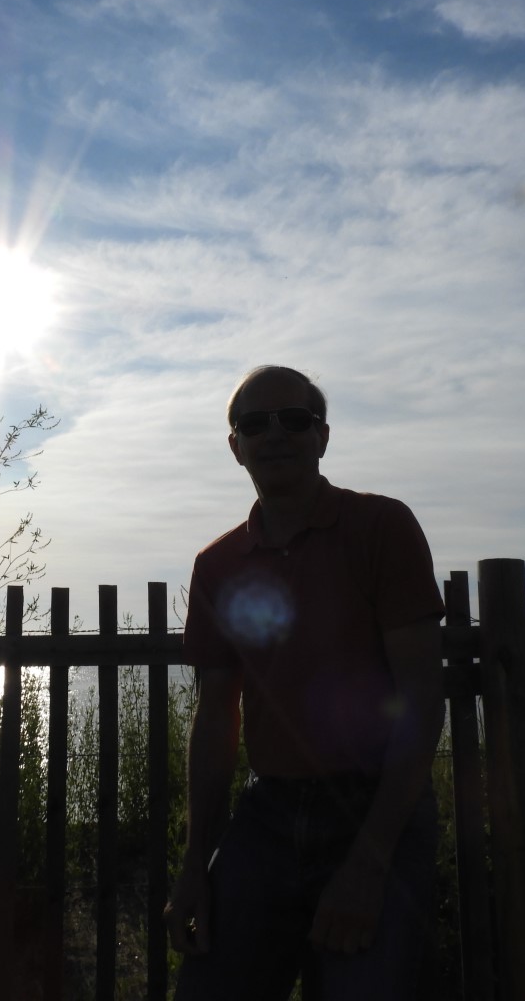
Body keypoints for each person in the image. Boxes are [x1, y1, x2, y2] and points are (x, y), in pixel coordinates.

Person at [164, 365, 446, 1001]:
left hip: (377, 811)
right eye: (254, 424)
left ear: (322, 436)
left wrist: (369, 864)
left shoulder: (381, 529)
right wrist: (194, 869)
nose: (275, 434)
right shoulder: (218, 565)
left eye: (294, 420)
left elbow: (421, 700)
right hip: (267, 817)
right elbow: (215, 720)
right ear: (235, 446)